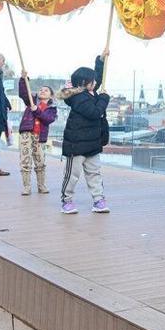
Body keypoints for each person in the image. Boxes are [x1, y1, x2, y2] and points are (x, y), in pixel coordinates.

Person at [58, 53, 110, 214]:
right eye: (92, 81)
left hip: (92, 142)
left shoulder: (89, 92)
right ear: (84, 83)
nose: (95, 83)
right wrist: (104, 99)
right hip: (76, 143)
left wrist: (100, 61)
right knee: (72, 174)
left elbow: (99, 77)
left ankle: (98, 199)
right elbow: (95, 112)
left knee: (94, 172)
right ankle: (67, 200)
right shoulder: (78, 98)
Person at [17, 75, 57, 195]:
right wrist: (24, 79)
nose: (42, 91)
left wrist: (37, 111)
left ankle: (41, 185)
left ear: (50, 95)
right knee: (25, 159)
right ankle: (26, 186)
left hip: (39, 136)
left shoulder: (52, 109)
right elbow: (24, 92)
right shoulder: (31, 100)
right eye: (41, 89)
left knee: (40, 160)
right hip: (26, 133)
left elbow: (48, 119)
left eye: (46, 90)